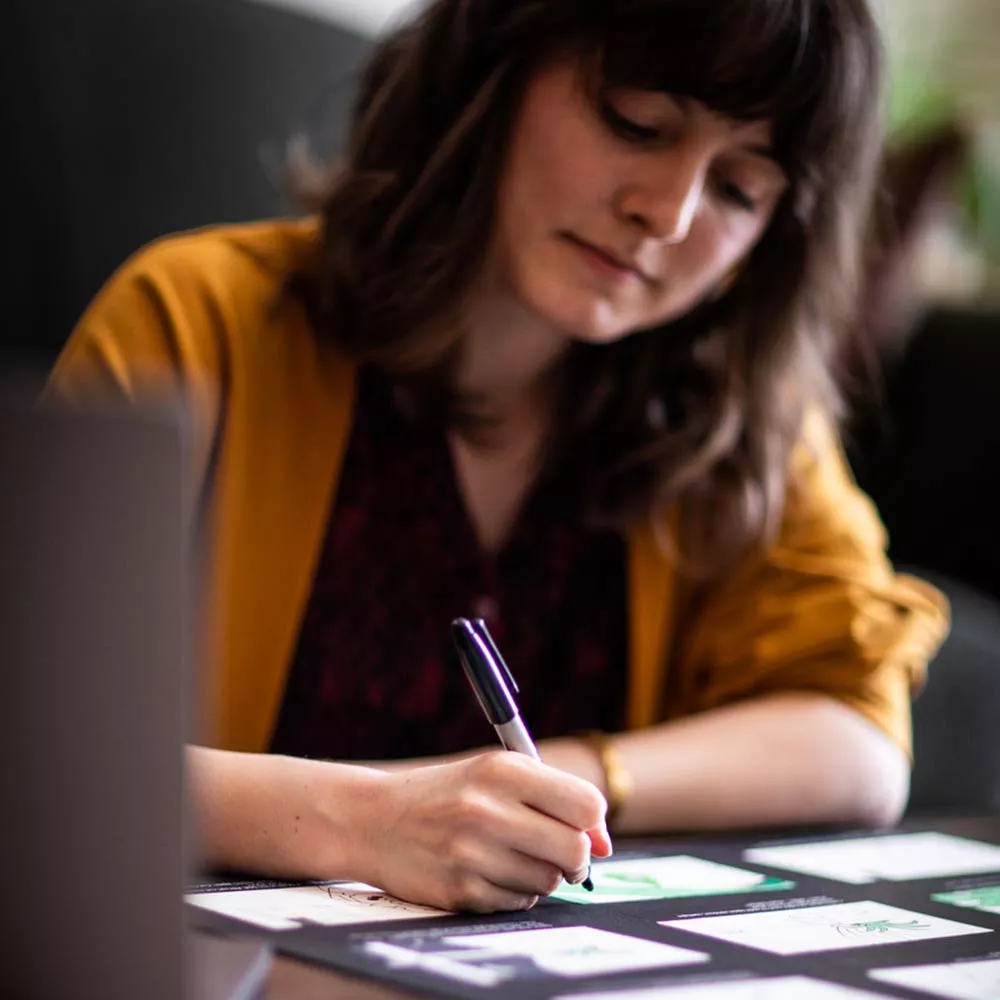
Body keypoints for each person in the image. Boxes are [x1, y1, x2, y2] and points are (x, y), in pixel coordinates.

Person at [48, 0, 948, 914]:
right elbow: (40, 751)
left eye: (739, 189)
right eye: (636, 121)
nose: (667, 214)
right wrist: (372, 820)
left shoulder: (736, 420)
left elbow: (858, 744)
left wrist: (558, 784)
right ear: (494, 66)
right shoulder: (197, 322)